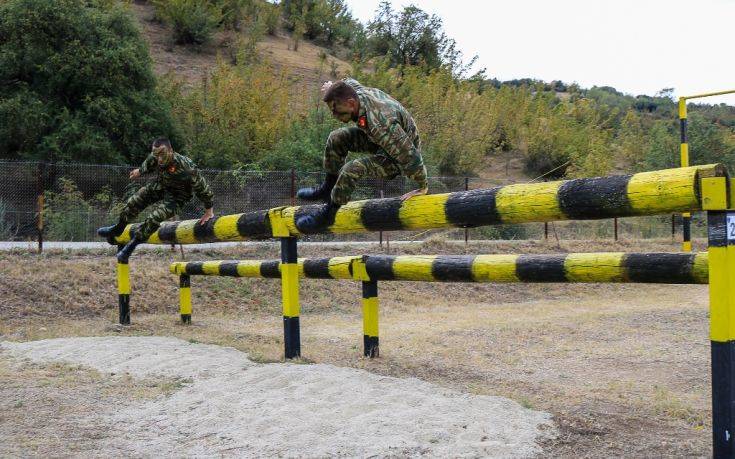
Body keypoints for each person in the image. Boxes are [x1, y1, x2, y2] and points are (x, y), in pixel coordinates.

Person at [295, 78, 428, 232]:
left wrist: (422, 186)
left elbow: (410, 155)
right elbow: (349, 82)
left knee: (352, 168)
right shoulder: (356, 94)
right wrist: (332, 87)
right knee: (336, 137)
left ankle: (329, 215)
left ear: (351, 104)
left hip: (396, 159)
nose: (334, 115)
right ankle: (327, 189)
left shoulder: (381, 124)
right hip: (379, 142)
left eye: (336, 110)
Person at [97, 138, 214, 262]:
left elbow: (203, 188)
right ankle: (118, 228)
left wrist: (209, 210)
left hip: (178, 196)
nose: (159, 159)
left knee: (155, 217)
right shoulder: (157, 156)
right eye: (156, 155)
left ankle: (132, 245)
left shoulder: (186, 167)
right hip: (161, 186)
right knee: (134, 201)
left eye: (162, 155)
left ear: (171, 151)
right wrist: (140, 171)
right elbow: (149, 162)